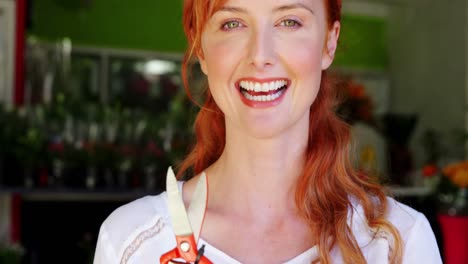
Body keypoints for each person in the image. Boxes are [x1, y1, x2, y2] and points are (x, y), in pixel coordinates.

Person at [93, 0, 442, 263]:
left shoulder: (398, 242)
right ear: (200, 46)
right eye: (232, 23)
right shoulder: (130, 241)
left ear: (329, 43)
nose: (260, 55)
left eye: (289, 21)